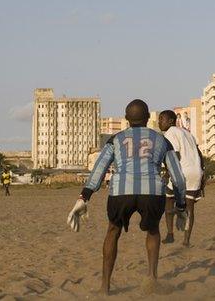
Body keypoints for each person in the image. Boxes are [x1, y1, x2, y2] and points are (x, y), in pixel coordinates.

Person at [66, 99, 187, 295]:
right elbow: (178, 178)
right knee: (153, 230)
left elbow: (99, 170)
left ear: (126, 119)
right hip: (152, 192)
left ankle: (105, 287)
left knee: (113, 231)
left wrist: (84, 197)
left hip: (121, 192)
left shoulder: (115, 139)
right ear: (149, 118)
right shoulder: (162, 141)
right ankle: (152, 278)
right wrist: (181, 206)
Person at [158, 110, 205, 247]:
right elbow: (199, 153)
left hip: (182, 171)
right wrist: (203, 171)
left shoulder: (171, 133)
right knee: (190, 207)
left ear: (171, 121)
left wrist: (167, 171)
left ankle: (170, 234)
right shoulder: (187, 133)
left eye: (162, 119)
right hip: (195, 171)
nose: (159, 122)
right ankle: (186, 240)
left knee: (168, 199)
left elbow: (175, 155)